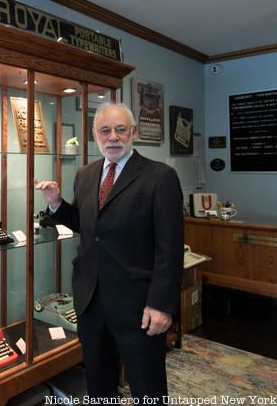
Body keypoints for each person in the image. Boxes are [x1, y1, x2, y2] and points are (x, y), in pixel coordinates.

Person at [35, 102, 183, 401]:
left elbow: (170, 248)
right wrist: (56, 204)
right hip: (91, 299)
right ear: (94, 135)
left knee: (147, 383)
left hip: (139, 304)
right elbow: (86, 224)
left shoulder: (160, 177)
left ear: (133, 133)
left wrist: (161, 305)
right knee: (98, 379)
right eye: (105, 130)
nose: (112, 137)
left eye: (120, 130)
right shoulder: (86, 175)